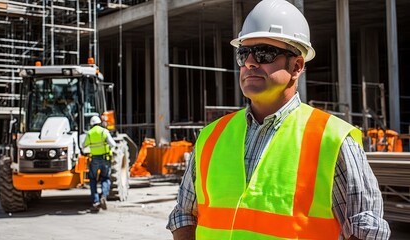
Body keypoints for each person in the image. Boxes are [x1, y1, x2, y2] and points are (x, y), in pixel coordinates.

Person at [167, 0, 390, 239]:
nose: (250, 62)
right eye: (243, 54)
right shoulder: (211, 137)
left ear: (297, 66)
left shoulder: (333, 140)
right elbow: (184, 216)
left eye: (264, 53)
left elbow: (367, 231)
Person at [84, 115, 117, 212]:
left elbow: (83, 145)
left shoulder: (89, 133)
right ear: (100, 122)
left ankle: (95, 201)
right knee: (105, 178)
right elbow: (113, 144)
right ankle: (104, 196)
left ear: (91, 124)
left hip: (94, 159)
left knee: (93, 179)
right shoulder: (104, 132)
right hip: (105, 158)